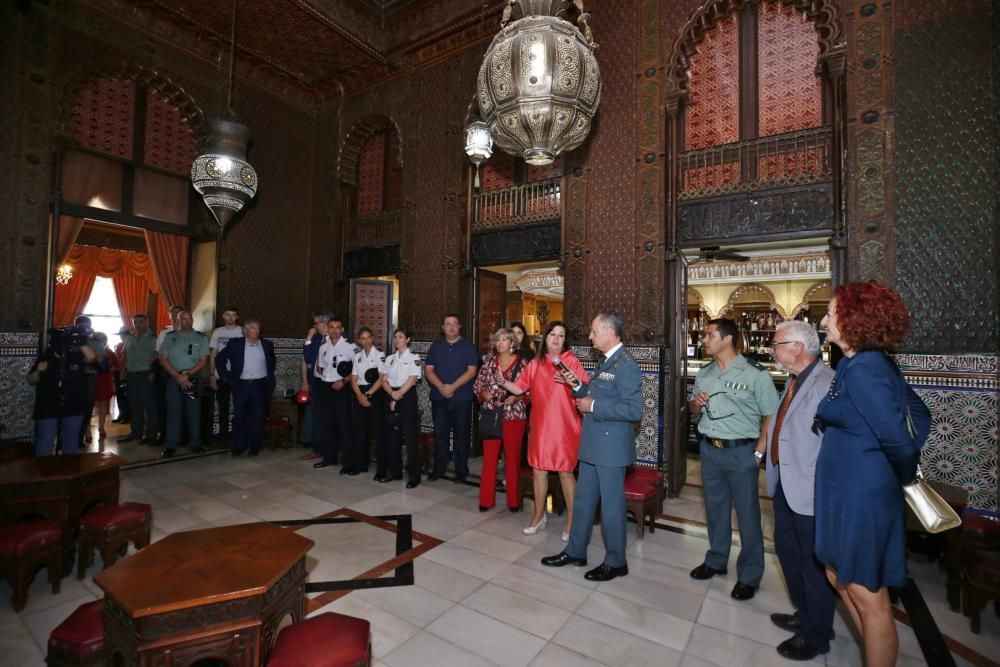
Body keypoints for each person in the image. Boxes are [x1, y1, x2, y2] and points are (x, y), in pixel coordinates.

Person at [815, 282, 926, 667]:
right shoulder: (855, 364)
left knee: (868, 595)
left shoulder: (866, 369)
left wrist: (899, 476)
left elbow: (901, 441)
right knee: (837, 575)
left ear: (854, 319)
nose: (824, 320)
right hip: (845, 493)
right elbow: (912, 417)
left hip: (861, 497)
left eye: (830, 313)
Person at [540, 312, 643, 582]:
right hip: (593, 444)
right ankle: (575, 551)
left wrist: (594, 406)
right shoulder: (607, 361)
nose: (590, 336)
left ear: (609, 332)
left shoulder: (626, 365)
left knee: (611, 508)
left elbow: (633, 410)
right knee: (584, 503)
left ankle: (616, 561)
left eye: (594, 332)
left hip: (611, 448)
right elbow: (594, 392)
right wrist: (575, 385)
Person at [688, 317, 779, 601]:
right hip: (710, 450)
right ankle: (716, 560)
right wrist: (696, 404)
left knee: (748, 516)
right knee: (715, 511)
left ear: (727, 339)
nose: (705, 340)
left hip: (742, 452)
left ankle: (750, 575)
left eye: (710, 335)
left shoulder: (755, 374)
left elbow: (771, 417)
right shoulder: (704, 373)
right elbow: (692, 410)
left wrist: (758, 454)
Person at [762, 321, 838, 661]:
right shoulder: (794, 381)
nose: (771, 350)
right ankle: (805, 615)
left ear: (797, 347)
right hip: (785, 484)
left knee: (812, 564)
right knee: (789, 554)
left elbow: (834, 443)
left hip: (810, 490)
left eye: (776, 344)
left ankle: (817, 634)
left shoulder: (826, 383)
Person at [502, 320, 587, 539]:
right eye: (553, 334)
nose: (557, 339)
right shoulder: (535, 363)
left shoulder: (571, 361)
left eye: (561, 335)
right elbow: (519, 387)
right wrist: (501, 381)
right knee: (539, 470)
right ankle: (539, 517)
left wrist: (571, 381)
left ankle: (572, 521)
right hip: (540, 427)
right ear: (545, 338)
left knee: (565, 472)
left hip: (565, 428)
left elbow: (585, 389)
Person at [473, 327, 528, 513]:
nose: (500, 343)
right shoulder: (488, 363)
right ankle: (486, 500)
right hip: (491, 414)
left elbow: (530, 389)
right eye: (498, 340)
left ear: (513, 343)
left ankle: (513, 501)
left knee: (512, 459)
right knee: (490, 459)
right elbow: (477, 386)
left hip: (514, 416)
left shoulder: (522, 364)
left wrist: (518, 397)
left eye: (505, 339)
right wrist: (483, 394)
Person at [424, 313, 479, 482]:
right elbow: (428, 370)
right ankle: (439, 468)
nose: (451, 327)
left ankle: (461, 471)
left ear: (459, 326)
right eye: (448, 324)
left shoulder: (468, 346)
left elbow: (472, 370)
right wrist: (441, 387)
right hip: (439, 398)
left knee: (461, 436)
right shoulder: (436, 347)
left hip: (462, 398)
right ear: (443, 328)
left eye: (454, 323)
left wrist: (453, 387)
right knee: (440, 435)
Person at [27, 328, 97, 456]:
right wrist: (39, 371)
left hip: (73, 404)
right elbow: (31, 380)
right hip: (48, 405)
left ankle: (68, 472)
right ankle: (43, 471)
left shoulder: (76, 356)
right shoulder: (46, 357)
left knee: (71, 440)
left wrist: (79, 341)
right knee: (46, 439)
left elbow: (91, 357)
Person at [215, 319, 276, 457]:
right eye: (253, 328)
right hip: (241, 385)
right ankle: (239, 445)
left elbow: (271, 362)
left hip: (259, 386)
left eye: (258, 328)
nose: (257, 331)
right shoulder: (235, 344)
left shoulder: (266, 345)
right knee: (239, 416)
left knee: (258, 417)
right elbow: (220, 359)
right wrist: (228, 377)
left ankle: (254, 446)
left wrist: (270, 379)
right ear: (246, 331)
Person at [158, 310, 209, 458]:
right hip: (174, 379)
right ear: (178, 320)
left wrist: (187, 375)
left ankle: (196, 444)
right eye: (184, 319)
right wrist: (177, 376)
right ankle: (171, 445)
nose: (187, 321)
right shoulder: (170, 337)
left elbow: (203, 361)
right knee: (174, 413)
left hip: (193, 378)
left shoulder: (200, 338)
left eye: (190, 319)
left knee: (194, 413)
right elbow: (162, 359)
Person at [311, 315, 356, 471]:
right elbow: (322, 368)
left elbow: (357, 370)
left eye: (338, 328)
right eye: (332, 327)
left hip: (342, 389)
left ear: (342, 330)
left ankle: (348, 462)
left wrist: (343, 382)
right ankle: (329, 458)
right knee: (327, 424)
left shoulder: (350, 347)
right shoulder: (323, 347)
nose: (335, 331)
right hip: (326, 388)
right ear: (327, 330)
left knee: (344, 426)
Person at [383, 327, 423, 488]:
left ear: (407, 339)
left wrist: (398, 395)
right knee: (392, 436)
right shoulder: (390, 359)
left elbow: (412, 380)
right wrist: (392, 394)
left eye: (401, 337)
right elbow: (384, 379)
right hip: (391, 394)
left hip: (406, 397)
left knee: (411, 437)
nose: (397, 340)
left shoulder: (414, 357)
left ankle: (414, 476)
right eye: (395, 337)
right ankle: (395, 471)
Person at [350, 327, 386, 478]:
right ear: (359, 341)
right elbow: (353, 379)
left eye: (368, 337)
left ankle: (382, 469)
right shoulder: (357, 356)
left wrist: (368, 395)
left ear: (373, 338)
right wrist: (359, 396)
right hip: (360, 394)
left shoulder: (380, 355)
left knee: (379, 432)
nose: (366, 341)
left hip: (375, 394)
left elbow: (383, 378)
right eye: (362, 338)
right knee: (360, 431)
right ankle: (360, 464)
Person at [118, 314, 158, 444]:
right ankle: (135, 433)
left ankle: (151, 435)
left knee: (150, 406)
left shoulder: (154, 338)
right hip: (132, 376)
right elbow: (125, 356)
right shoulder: (129, 338)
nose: (138, 324)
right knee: (135, 407)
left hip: (147, 375)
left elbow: (159, 356)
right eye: (136, 322)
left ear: (147, 322)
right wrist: (122, 372)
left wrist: (153, 372)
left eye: (141, 322)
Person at [209, 306, 243, 442]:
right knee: (223, 406)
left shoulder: (242, 331)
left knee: (239, 406)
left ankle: (237, 434)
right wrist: (212, 375)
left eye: (233, 315)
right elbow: (213, 355)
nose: (230, 317)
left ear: (237, 317)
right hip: (221, 375)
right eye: (228, 314)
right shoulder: (217, 332)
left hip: (238, 376)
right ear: (223, 316)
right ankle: (223, 436)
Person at [299, 313, 327, 453]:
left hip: (331, 383)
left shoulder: (340, 338)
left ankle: (326, 443)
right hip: (316, 381)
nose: (314, 326)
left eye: (317, 323)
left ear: (324, 323)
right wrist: (309, 339)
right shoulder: (315, 339)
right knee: (314, 411)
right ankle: (314, 443)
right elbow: (307, 358)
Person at [92, 332, 120, 442]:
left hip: (104, 380)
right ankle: (87, 431)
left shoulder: (109, 353)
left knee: (103, 404)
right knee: (89, 406)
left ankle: (101, 427)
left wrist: (111, 370)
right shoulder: (89, 351)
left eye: (103, 340)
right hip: (91, 380)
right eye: (98, 340)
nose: (101, 342)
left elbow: (117, 365)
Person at [112, 326, 131, 424]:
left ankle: (127, 415)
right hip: (118, 371)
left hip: (126, 372)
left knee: (126, 395)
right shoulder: (119, 345)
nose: (122, 336)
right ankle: (121, 415)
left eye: (123, 334)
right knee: (119, 395)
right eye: (121, 335)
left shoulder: (131, 344)